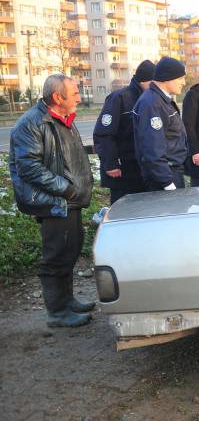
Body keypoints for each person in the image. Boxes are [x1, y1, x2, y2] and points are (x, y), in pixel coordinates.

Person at [9, 74, 94, 327]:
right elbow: (29, 168)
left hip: (69, 199)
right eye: (75, 93)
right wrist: (66, 190)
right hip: (54, 201)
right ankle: (57, 313)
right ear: (58, 97)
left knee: (70, 249)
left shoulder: (63, 118)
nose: (80, 97)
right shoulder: (32, 123)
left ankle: (67, 302)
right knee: (56, 255)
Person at [92, 60, 154, 204]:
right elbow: (104, 134)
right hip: (123, 171)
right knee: (123, 212)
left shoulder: (151, 99)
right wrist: (111, 163)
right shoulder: (119, 98)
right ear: (147, 81)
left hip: (143, 170)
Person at [133, 56, 189, 191]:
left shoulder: (160, 100)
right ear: (167, 78)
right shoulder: (152, 104)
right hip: (164, 177)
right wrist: (167, 183)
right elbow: (152, 149)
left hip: (171, 172)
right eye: (180, 78)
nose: (184, 82)